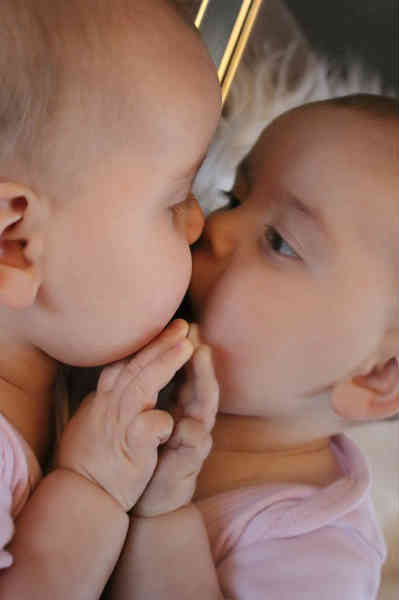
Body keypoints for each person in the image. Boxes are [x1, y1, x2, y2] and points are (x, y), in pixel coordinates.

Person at [106, 94, 398, 600]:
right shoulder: (131, 347)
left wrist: (163, 514)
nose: (214, 227)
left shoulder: (317, 555)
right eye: (235, 197)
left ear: (374, 374)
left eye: (280, 242)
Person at [0, 0, 221, 597]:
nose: (201, 224)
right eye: (175, 200)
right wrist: (91, 487)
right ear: (16, 243)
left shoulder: (65, 371)